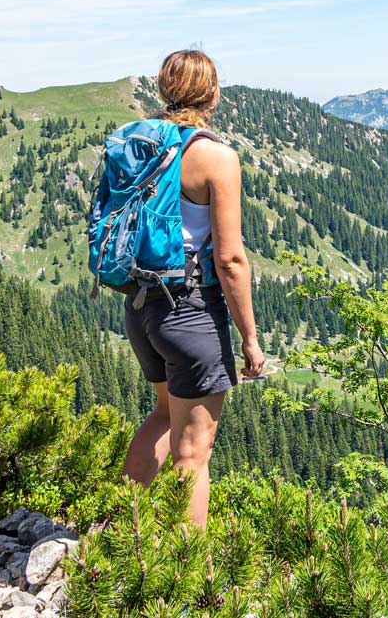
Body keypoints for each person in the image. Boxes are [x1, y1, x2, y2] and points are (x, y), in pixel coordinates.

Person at [119, 50, 266, 528]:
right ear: (213, 94)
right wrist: (249, 336)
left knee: (163, 415)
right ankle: (183, 582)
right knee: (194, 454)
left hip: (140, 305)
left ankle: (120, 534)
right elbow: (229, 258)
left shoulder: (139, 144)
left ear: (164, 90)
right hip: (190, 310)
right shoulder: (216, 157)